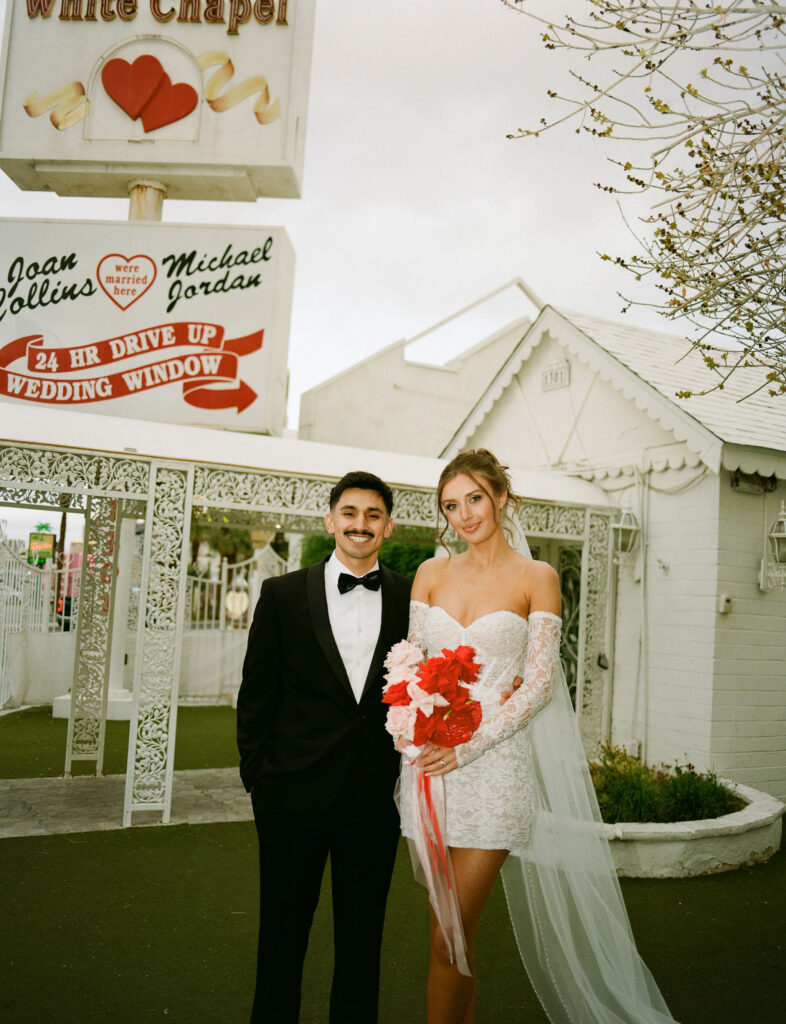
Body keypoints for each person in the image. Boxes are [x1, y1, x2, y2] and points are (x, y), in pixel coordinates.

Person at [397, 448, 680, 1024]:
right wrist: (414, 730)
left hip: (494, 770)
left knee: (447, 935)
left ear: (502, 496)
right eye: (451, 506)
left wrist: (466, 742)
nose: (465, 515)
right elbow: (408, 666)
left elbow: (542, 683)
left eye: (475, 498)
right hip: (427, 769)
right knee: (456, 938)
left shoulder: (537, 578)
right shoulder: (431, 573)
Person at [237, 470, 412, 1024]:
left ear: (388, 526)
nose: (360, 525)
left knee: (362, 946)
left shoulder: (414, 597)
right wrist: (259, 781)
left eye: (373, 515)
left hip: (371, 800)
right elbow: (256, 697)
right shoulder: (282, 594)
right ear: (331, 519)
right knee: (281, 941)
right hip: (290, 798)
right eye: (351, 513)